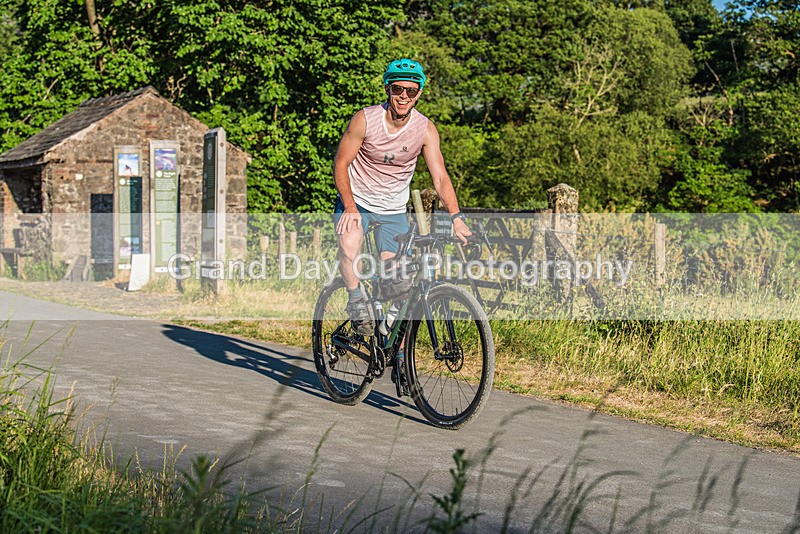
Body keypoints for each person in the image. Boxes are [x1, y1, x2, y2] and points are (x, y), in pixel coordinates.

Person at [333, 58, 471, 336]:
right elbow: (340, 164)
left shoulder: (425, 129)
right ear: (387, 88)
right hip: (358, 200)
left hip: (393, 208)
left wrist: (456, 217)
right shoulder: (365, 120)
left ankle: (386, 337)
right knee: (350, 246)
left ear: (419, 93)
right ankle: (356, 300)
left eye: (411, 91)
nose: (404, 96)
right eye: (398, 89)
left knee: (399, 278)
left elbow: (441, 177)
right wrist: (349, 207)